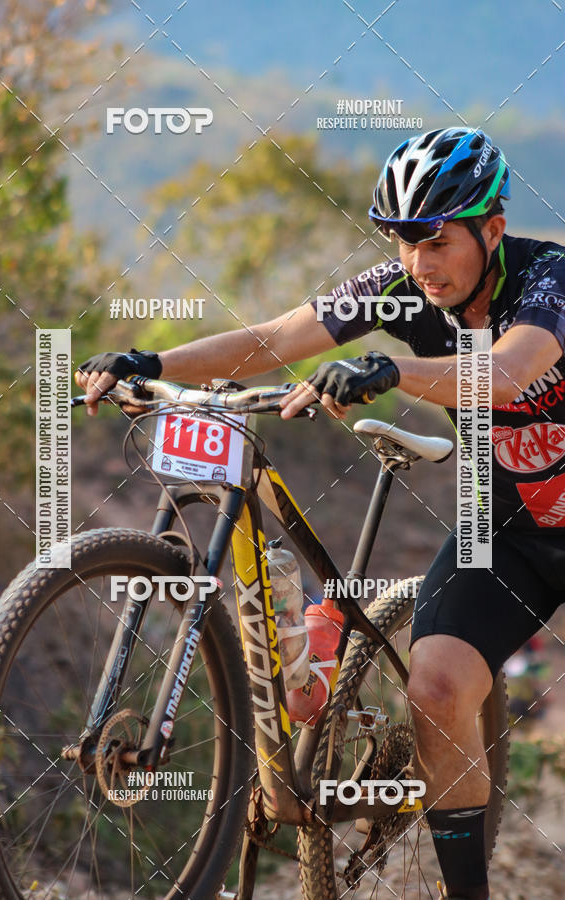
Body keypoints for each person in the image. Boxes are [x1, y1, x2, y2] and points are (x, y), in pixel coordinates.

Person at [75, 127, 565, 900]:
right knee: (435, 688)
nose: (417, 262)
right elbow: (273, 338)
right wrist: (152, 363)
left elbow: (507, 375)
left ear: (492, 229)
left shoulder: (550, 280)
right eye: (401, 241)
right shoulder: (400, 288)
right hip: (503, 528)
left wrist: (390, 368)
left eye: (434, 240)